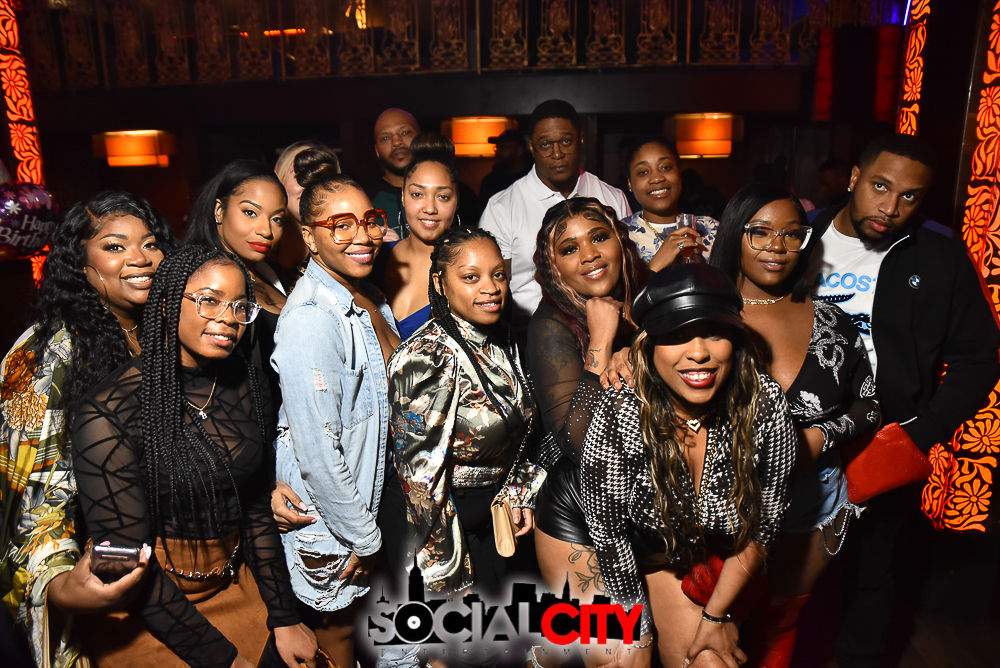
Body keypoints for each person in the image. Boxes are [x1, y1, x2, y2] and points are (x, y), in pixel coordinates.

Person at [71, 245, 317, 667]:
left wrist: (284, 618)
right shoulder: (107, 413)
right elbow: (122, 565)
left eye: (240, 306)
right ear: (167, 304)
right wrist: (224, 660)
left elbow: (255, 508)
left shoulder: (249, 385)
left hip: (234, 582)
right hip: (147, 603)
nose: (228, 318)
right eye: (209, 300)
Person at [808, 134, 1000, 668]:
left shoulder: (939, 255)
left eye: (909, 196)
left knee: (873, 572)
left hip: (883, 441)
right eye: (880, 186)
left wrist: (920, 432)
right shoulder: (799, 236)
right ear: (854, 177)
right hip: (797, 434)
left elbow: (978, 357)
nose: (890, 207)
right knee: (783, 569)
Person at [582, 263, 797, 668]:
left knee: (711, 663)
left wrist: (715, 617)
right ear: (648, 345)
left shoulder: (765, 405)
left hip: (674, 553)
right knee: (623, 660)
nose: (698, 353)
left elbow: (762, 527)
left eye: (714, 332)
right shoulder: (621, 408)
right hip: (593, 533)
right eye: (676, 334)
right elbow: (608, 533)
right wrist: (637, 631)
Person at [708, 183, 880, 667]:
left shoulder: (832, 320)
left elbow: (869, 404)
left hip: (812, 498)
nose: (777, 247)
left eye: (792, 234)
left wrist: (819, 437)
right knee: (715, 627)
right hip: (719, 505)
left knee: (779, 623)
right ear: (735, 234)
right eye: (760, 232)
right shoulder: (703, 314)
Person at [0, 192, 174, 668]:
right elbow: (32, 492)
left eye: (151, 244)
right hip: (104, 574)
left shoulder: (168, 330)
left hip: (179, 560)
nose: (140, 258)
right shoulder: (46, 353)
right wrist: (59, 583)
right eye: (115, 247)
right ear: (80, 265)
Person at [271, 171, 400, 667]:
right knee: (340, 643)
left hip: (372, 502)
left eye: (370, 220)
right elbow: (318, 451)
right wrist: (362, 537)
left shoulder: (370, 296)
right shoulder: (311, 318)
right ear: (309, 236)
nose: (362, 235)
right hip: (335, 522)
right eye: (341, 224)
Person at [388, 227, 545, 598]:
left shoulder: (501, 340)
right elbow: (419, 480)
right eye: (471, 277)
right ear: (440, 284)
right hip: (444, 527)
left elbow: (520, 432)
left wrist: (518, 490)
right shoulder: (426, 357)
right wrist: (443, 576)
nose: (491, 288)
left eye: (498, 275)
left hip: (494, 514)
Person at [525, 198, 646, 668]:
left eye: (598, 237)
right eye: (570, 248)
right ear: (554, 267)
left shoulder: (653, 299)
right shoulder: (550, 325)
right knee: (618, 656)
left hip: (647, 500)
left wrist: (640, 350)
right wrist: (601, 340)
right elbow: (578, 445)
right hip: (579, 507)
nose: (590, 255)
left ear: (620, 240)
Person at [480, 99, 631, 335]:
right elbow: (490, 288)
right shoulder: (502, 207)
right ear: (532, 147)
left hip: (612, 335)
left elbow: (630, 271)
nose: (557, 153)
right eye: (545, 145)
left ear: (580, 139)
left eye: (566, 141)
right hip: (530, 339)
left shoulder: (612, 197)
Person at [374, 133, 460, 341]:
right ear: (403, 197)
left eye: (443, 196)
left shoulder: (468, 269)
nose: (430, 208)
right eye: (417, 194)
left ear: (456, 201)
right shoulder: (376, 257)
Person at [622, 137, 720, 271]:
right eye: (643, 172)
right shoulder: (620, 236)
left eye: (665, 167)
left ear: (679, 173)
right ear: (629, 183)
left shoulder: (711, 229)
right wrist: (654, 267)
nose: (657, 178)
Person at [273, 140, 343, 287]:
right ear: (280, 179)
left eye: (321, 178)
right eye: (301, 174)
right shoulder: (259, 238)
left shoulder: (341, 243)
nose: (310, 186)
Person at [368, 108, 421, 238]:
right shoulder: (367, 200)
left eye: (405, 133)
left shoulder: (452, 192)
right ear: (377, 150)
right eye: (385, 138)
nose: (397, 142)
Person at [479, 129, 531, 204]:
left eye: (505, 147)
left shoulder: (533, 179)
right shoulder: (490, 182)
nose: (499, 151)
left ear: (519, 150)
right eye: (497, 147)